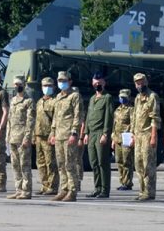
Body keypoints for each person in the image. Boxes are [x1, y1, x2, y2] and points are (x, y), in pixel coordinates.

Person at [51, 70, 85, 201]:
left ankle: (72, 191)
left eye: (64, 81)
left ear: (70, 81)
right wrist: (52, 132)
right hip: (59, 135)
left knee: (70, 164)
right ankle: (63, 189)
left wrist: (74, 133)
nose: (61, 83)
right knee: (61, 164)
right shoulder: (58, 97)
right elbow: (55, 117)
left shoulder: (75, 96)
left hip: (69, 135)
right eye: (59, 81)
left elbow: (78, 115)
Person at [84, 71, 115, 198]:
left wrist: (106, 134)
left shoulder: (107, 98)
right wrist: (86, 133)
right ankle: (97, 188)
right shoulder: (92, 99)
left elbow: (109, 117)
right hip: (91, 134)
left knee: (103, 162)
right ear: (92, 83)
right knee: (94, 162)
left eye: (100, 83)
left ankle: (104, 190)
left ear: (104, 83)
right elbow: (88, 117)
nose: (97, 85)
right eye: (95, 83)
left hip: (101, 133)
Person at [131, 72, 160, 201]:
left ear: (146, 82)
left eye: (142, 81)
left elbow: (155, 118)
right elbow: (135, 118)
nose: (140, 84)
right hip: (138, 135)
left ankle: (149, 192)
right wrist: (132, 134)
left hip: (148, 134)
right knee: (138, 164)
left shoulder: (152, 96)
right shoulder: (137, 98)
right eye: (137, 82)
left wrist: (153, 136)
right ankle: (142, 190)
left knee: (148, 164)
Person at [6, 75, 36, 199]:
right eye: (15, 84)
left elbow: (30, 121)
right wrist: (7, 136)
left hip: (22, 137)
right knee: (15, 165)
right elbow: (9, 119)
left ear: (24, 84)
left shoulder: (29, 101)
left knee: (24, 165)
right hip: (12, 137)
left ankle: (26, 190)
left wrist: (27, 138)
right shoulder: (13, 100)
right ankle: (18, 189)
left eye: (19, 84)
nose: (17, 86)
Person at [34, 76, 58, 196]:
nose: (47, 88)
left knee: (51, 162)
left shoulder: (55, 101)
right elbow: (36, 119)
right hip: (39, 135)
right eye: (44, 86)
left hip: (49, 135)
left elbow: (56, 119)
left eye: (49, 86)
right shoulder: (39, 101)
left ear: (53, 87)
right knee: (41, 162)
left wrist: (53, 134)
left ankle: (53, 186)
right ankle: (44, 185)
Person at [113, 89, 135, 191]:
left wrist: (131, 136)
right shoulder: (117, 110)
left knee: (127, 161)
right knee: (119, 161)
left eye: (124, 97)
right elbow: (114, 125)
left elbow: (133, 124)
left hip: (126, 138)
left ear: (129, 97)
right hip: (117, 139)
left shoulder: (131, 110)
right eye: (121, 97)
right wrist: (113, 139)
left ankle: (127, 182)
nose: (122, 99)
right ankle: (122, 181)